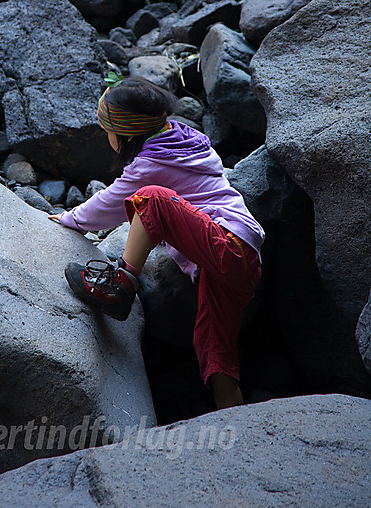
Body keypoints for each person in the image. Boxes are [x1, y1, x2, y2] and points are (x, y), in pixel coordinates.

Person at [48, 76, 264, 410]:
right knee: (214, 350)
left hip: (226, 242)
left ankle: (119, 285)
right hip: (238, 258)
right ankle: (236, 419)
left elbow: (109, 205)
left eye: (108, 130)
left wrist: (68, 218)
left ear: (125, 133)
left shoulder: (152, 163)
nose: (106, 137)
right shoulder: (185, 138)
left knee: (150, 199)